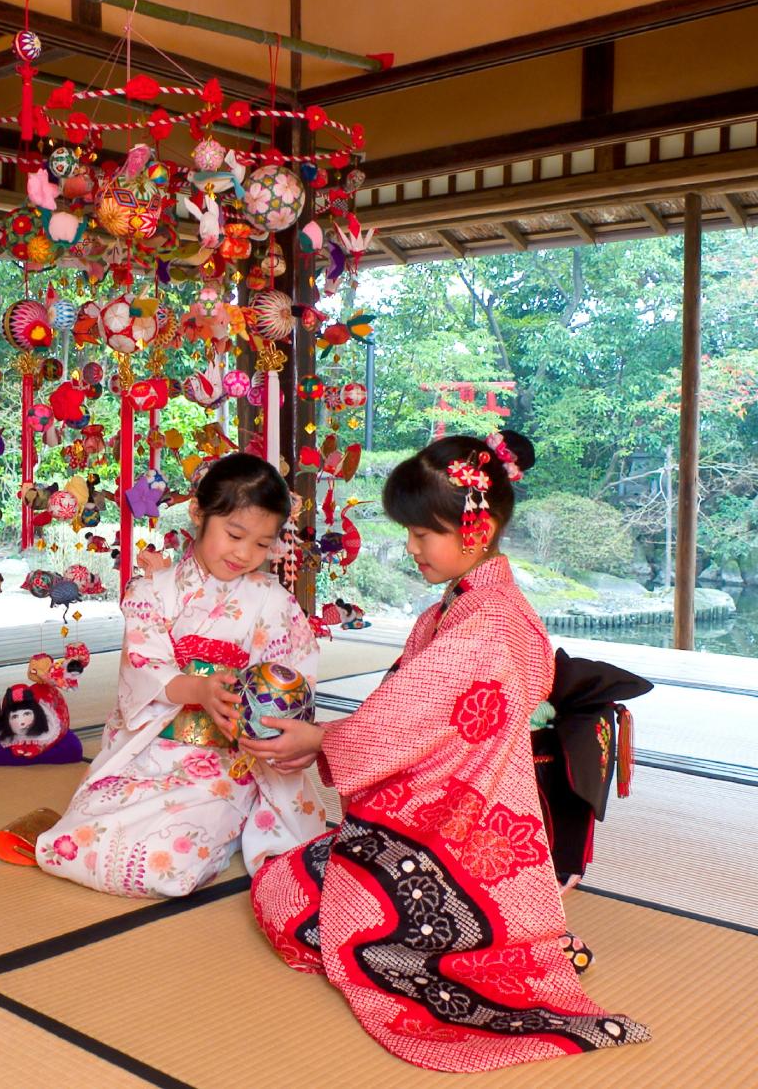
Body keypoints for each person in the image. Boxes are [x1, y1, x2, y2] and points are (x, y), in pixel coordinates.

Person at [244, 431, 649, 1073]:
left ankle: (505, 943)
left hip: (454, 828)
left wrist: (322, 740)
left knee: (291, 903)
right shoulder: (477, 601)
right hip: (451, 809)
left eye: (421, 534)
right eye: (408, 532)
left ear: (475, 529)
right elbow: (412, 708)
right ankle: (520, 935)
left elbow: (403, 721)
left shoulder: (486, 621)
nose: (410, 548)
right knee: (286, 881)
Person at [34, 452, 324, 898]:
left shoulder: (272, 600)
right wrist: (200, 689)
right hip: (152, 747)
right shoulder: (152, 591)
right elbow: (144, 668)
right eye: (234, 534)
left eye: (263, 544)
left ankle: (229, 821)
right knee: (72, 839)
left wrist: (263, 714)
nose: (246, 554)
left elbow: (292, 676)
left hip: (227, 759)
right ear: (198, 513)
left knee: (169, 862)